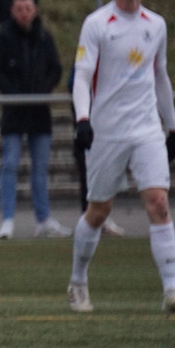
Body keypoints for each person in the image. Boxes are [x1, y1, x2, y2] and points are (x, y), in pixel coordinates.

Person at [68, 0, 175, 314]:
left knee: (159, 202)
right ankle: (77, 281)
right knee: (98, 211)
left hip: (146, 129)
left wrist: (173, 127)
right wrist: (83, 119)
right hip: (107, 131)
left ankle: (171, 291)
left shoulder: (156, 25)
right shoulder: (97, 24)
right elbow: (82, 76)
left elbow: (160, 76)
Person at [0, 0, 71, 240]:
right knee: (10, 163)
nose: (24, 13)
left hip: (39, 110)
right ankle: (7, 219)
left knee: (40, 167)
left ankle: (43, 219)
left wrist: (42, 91)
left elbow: (55, 69)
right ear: (12, 11)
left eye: (28, 8)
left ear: (35, 10)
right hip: (14, 110)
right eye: (19, 8)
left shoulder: (44, 36)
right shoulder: (4, 37)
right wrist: (12, 92)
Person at [67, 64, 126, 237]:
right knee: (88, 171)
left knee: (107, 171)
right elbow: (74, 83)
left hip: (109, 123)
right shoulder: (87, 57)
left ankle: (100, 216)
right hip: (89, 125)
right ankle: (89, 218)